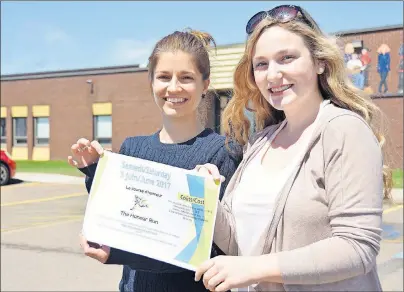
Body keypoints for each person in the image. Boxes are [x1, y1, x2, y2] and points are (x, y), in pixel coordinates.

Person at [194, 4, 392, 292]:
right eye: (261, 64)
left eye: (286, 58)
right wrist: (206, 197)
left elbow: (357, 247)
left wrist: (253, 268)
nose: (272, 74)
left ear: (320, 62)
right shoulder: (262, 142)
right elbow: (240, 241)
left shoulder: (343, 130)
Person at [68, 29, 241, 292]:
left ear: (205, 84)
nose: (174, 87)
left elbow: (211, 253)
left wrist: (117, 255)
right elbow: (120, 216)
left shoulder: (221, 153)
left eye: (186, 77)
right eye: (163, 77)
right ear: (151, 82)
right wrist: (94, 171)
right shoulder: (132, 148)